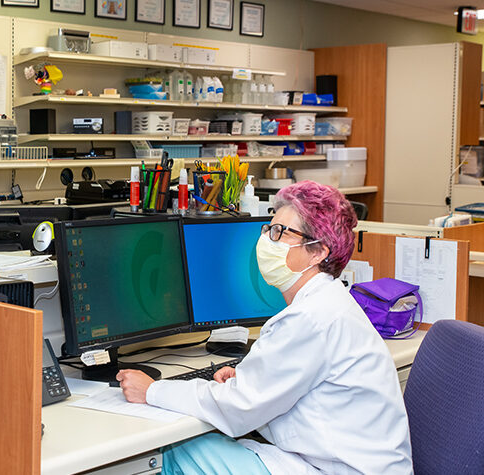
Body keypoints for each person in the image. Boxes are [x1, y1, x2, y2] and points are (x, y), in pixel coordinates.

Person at [117, 181, 412, 475]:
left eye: (281, 233)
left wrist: (153, 391)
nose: (268, 241)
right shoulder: (327, 303)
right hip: (338, 461)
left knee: (180, 449)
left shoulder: (311, 318)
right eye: (270, 229)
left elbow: (237, 409)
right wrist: (252, 378)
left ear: (318, 252)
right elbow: (288, 386)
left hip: (341, 469)